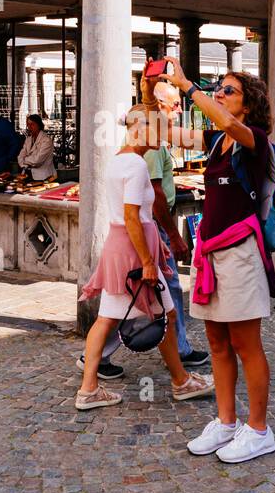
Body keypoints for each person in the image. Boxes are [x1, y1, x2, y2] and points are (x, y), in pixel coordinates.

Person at [162, 60, 275, 464]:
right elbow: (162, 133)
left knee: (247, 345)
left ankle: (259, 430)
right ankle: (226, 421)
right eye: (219, 88)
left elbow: (229, 126)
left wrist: (188, 86)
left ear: (248, 105)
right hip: (209, 253)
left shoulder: (253, 138)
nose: (220, 94)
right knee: (216, 342)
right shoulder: (215, 142)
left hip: (241, 254)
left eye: (229, 91)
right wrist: (155, 100)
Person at [73, 104, 213, 410]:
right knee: (163, 313)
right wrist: (148, 262)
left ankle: (91, 389)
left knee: (117, 317)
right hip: (134, 251)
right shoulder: (135, 165)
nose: (164, 136)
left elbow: (134, 217)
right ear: (141, 128)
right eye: (159, 129)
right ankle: (180, 381)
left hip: (122, 246)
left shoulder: (119, 161)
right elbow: (133, 217)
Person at [144, 80, 209, 368]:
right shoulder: (152, 141)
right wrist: (174, 234)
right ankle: (180, 349)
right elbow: (155, 192)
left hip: (152, 223)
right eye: (174, 104)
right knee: (170, 287)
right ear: (159, 106)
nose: (180, 109)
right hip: (155, 225)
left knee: (132, 292)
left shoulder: (153, 134)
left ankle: (98, 354)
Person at [16, 114, 57, 181]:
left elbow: (37, 160)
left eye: (32, 124)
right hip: (28, 175)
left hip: (44, 177)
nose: (29, 127)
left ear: (39, 125)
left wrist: (25, 159)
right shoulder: (28, 139)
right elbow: (20, 156)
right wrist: (24, 164)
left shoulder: (46, 140)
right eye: (28, 125)